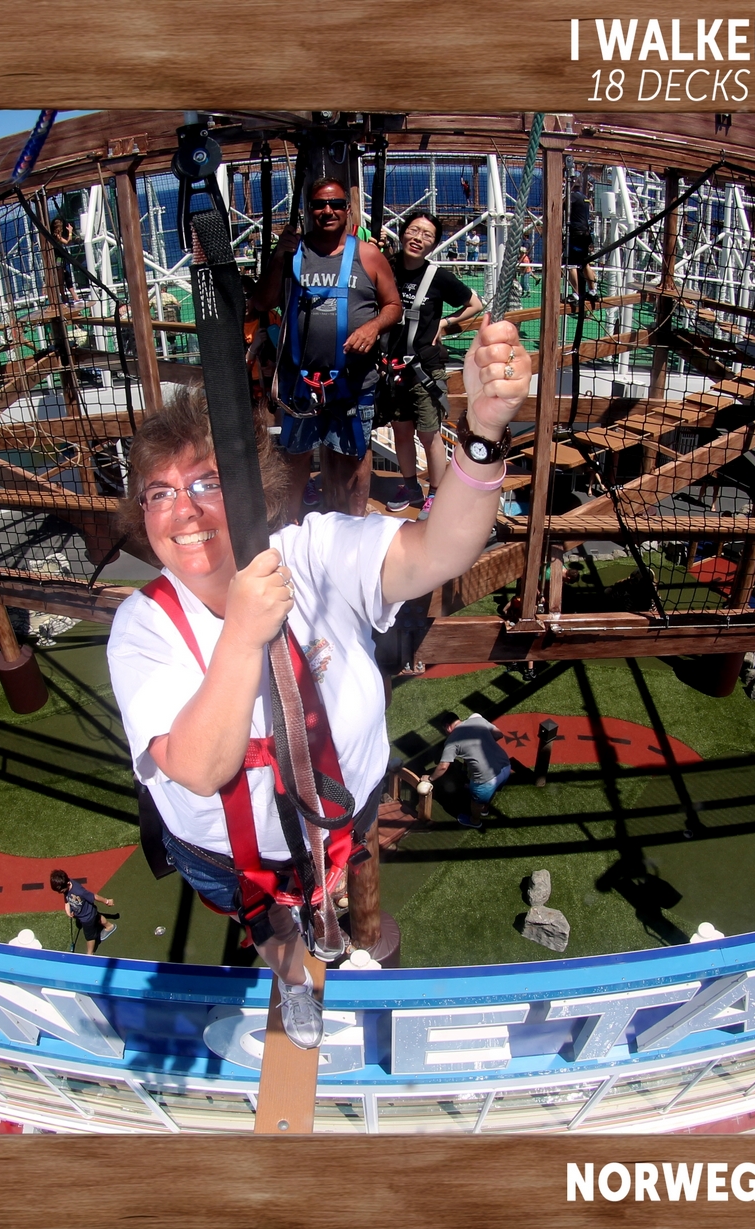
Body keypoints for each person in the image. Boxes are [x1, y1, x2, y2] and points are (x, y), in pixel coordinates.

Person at [106, 319, 530, 1047]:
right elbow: (200, 768)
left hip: (341, 814)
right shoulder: (142, 627)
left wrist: (484, 432)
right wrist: (242, 633)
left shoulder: (313, 554)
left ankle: (328, 921)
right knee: (267, 919)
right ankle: (292, 975)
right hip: (229, 855)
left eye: (208, 482)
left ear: (250, 488)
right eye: (160, 493)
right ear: (142, 517)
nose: (185, 510)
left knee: (329, 882)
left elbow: (440, 551)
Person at [252, 179, 402, 518]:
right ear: (309, 211)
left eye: (335, 204)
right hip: (299, 385)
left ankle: (353, 525)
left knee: (353, 457)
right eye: (320, 204)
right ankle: (291, 527)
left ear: (347, 210)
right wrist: (278, 257)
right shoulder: (293, 254)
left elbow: (393, 306)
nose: (328, 210)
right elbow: (262, 302)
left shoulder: (368, 255)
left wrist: (372, 327)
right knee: (294, 457)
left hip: (352, 383)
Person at [377, 213, 484, 514]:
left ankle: (436, 493)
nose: (417, 238)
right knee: (401, 430)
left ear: (434, 244)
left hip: (423, 367)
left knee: (429, 434)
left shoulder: (438, 277)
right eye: (413, 231)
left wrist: (445, 323)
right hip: (392, 368)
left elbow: (474, 304)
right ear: (402, 233)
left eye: (426, 235)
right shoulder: (386, 267)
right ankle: (411, 486)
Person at [431, 713, 511, 828]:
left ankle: (475, 821)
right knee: (493, 789)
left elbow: (443, 766)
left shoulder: (451, 741)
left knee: (476, 802)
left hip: (486, 780)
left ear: (448, 727)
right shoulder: (478, 719)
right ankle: (485, 809)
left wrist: (430, 778)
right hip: (506, 767)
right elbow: (498, 734)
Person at [50, 868, 117, 951]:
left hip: (87, 917)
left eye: (61, 891)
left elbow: (94, 896)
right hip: (88, 912)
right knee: (97, 917)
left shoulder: (79, 891)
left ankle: (89, 954)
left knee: (90, 937)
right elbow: (66, 897)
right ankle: (109, 926)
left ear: (68, 883)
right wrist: (67, 908)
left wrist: (106, 901)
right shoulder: (65, 886)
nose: (60, 892)